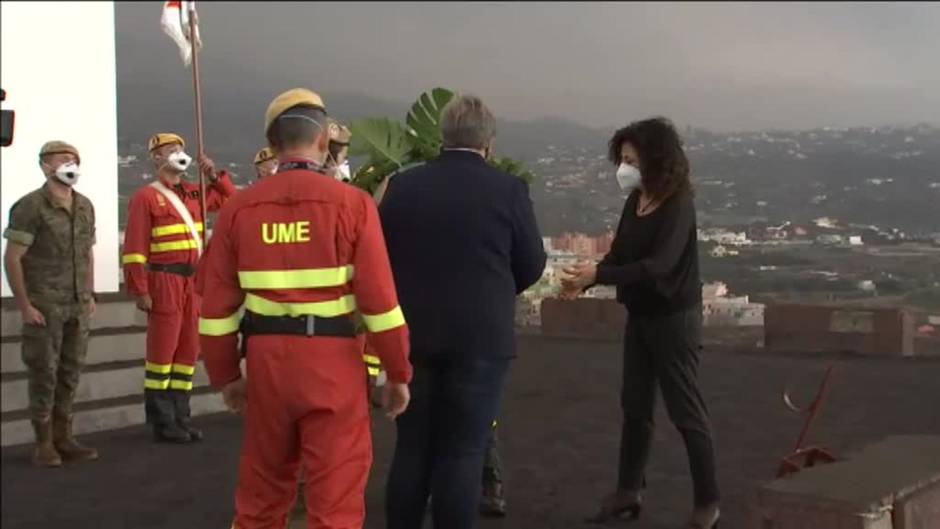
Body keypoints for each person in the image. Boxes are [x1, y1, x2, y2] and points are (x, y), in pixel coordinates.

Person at [197, 88, 412, 529]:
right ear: (322, 142)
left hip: (265, 363)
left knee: (260, 497)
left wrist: (227, 378)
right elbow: (380, 304)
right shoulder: (354, 205)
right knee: (334, 501)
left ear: (274, 146)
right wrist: (397, 373)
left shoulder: (238, 210)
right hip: (333, 366)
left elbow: (215, 311)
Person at [381, 94, 546, 529]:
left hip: (412, 336)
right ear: (488, 143)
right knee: (464, 450)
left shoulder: (403, 186)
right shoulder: (508, 190)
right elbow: (531, 262)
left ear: (443, 137)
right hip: (481, 339)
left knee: (412, 446)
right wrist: (494, 293)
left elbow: (380, 258)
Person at [561, 117, 720, 529]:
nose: (624, 168)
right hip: (642, 316)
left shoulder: (678, 204)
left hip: (674, 320)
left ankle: (708, 504)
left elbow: (659, 265)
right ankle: (628, 492)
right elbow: (621, 255)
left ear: (655, 159)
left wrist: (601, 275)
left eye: (631, 159)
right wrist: (589, 277)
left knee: (686, 412)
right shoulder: (636, 202)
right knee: (635, 407)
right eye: (622, 159)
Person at [122, 132, 236, 444]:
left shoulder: (195, 192)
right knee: (162, 351)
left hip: (194, 281)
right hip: (164, 280)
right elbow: (134, 248)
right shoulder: (146, 197)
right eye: (169, 150)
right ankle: (162, 420)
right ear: (156, 158)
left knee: (188, 349)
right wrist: (139, 288)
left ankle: (181, 416)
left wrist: (213, 174)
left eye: (179, 149)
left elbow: (229, 200)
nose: (176, 153)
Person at [3, 141, 99, 467]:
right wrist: (25, 305)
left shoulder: (84, 206)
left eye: (74, 159)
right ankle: (43, 442)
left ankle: (64, 437)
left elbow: (87, 252)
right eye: (63, 160)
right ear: (46, 166)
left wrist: (89, 294)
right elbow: (13, 258)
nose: (71, 165)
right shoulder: (30, 206)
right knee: (44, 372)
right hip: (44, 305)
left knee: (71, 372)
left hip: (76, 305)